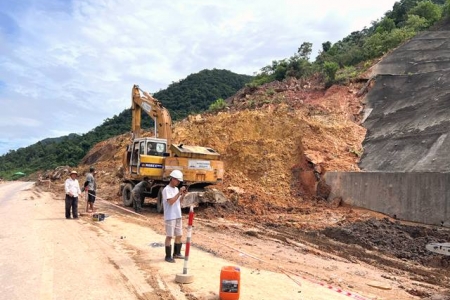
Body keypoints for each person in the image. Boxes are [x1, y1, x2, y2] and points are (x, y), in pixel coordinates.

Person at [162, 170, 187, 263]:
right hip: (170, 216)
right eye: (177, 180)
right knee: (169, 236)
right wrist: (179, 193)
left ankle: (177, 253)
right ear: (172, 179)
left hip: (177, 215)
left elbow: (178, 202)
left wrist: (182, 195)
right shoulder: (166, 190)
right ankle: (168, 256)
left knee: (179, 235)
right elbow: (171, 202)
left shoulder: (176, 189)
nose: (179, 182)